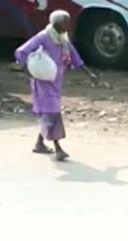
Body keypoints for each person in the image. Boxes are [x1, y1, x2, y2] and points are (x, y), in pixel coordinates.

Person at [13, 10, 85, 162]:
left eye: (68, 23)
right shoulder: (44, 36)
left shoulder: (62, 38)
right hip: (42, 82)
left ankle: (39, 144)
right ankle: (58, 149)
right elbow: (21, 52)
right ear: (56, 24)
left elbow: (73, 54)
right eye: (65, 24)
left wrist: (87, 72)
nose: (68, 26)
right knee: (52, 113)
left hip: (56, 81)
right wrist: (29, 71)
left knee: (48, 113)